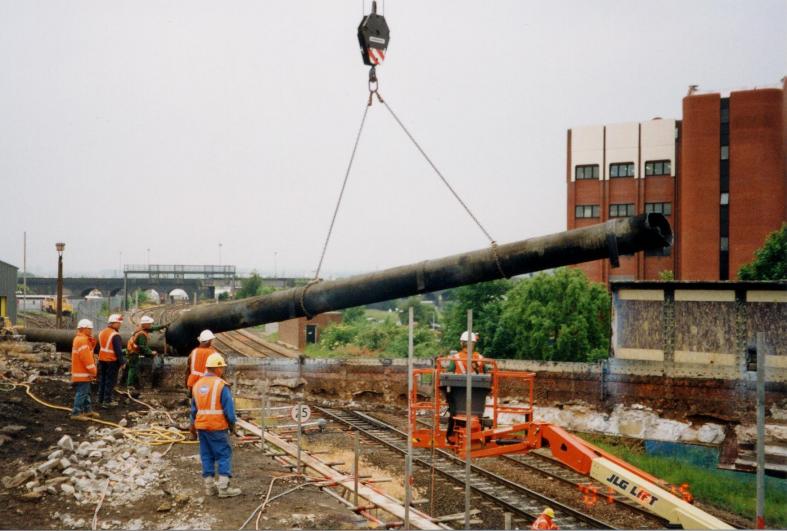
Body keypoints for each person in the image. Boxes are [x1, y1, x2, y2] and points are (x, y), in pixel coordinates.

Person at [190, 353, 242, 498]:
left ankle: (209, 488)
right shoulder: (221, 385)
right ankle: (224, 489)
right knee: (224, 454)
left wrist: (192, 427)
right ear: (217, 368)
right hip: (218, 426)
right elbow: (229, 411)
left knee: (206, 455)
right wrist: (232, 425)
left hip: (202, 427)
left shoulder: (197, 385)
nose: (223, 371)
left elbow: (193, 410)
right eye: (222, 368)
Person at [71, 319, 99, 420]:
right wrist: (93, 370)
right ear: (84, 329)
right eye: (89, 329)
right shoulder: (82, 340)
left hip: (81, 372)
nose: (91, 331)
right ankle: (76, 413)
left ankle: (87, 410)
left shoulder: (79, 339)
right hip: (83, 373)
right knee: (82, 393)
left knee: (86, 392)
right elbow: (86, 358)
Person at [97, 314, 126, 408]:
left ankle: (100, 399)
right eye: (118, 323)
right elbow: (118, 350)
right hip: (112, 361)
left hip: (102, 359)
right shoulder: (115, 335)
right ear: (113, 323)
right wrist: (122, 362)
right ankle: (107, 401)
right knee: (110, 381)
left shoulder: (102, 332)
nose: (120, 325)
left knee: (103, 380)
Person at [126, 315, 157, 394]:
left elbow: (152, 329)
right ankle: (130, 385)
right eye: (149, 324)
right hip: (133, 353)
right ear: (145, 324)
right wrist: (151, 352)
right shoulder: (142, 334)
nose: (150, 325)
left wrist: (162, 327)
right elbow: (143, 347)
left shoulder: (140, 329)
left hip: (132, 352)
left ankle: (134, 384)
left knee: (134, 369)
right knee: (133, 369)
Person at [185, 330, 218, 394]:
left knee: (195, 403)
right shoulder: (213, 353)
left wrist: (187, 385)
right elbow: (218, 372)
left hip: (193, 384)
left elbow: (187, 371)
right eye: (211, 340)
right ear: (209, 341)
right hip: (206, 385)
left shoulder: (193, 353)